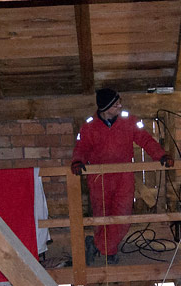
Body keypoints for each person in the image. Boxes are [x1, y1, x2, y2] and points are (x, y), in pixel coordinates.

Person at [71, 88, 174, 265]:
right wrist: (77, 161)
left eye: (119, 102)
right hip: (99, 178)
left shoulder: (129, 121)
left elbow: (146, 139)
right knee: (102, 217)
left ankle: (97, 245)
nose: (120, 106)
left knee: (123, 217)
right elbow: (81, 147)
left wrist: (161, 155)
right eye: (116, 104)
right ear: (105, 108)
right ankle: (109, 251)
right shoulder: (89, 126)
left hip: (123, 176)